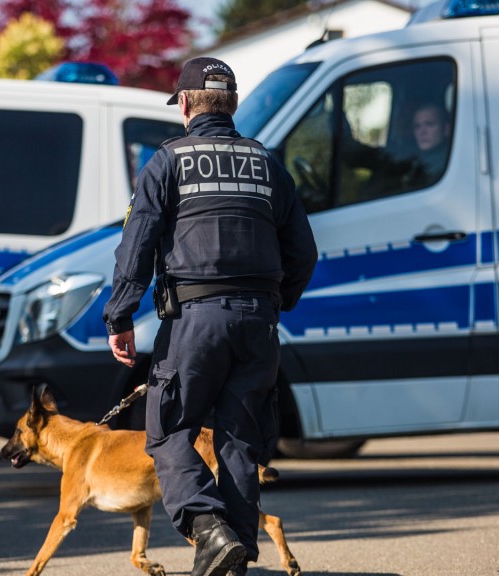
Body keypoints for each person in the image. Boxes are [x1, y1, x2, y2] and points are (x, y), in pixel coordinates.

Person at [102, 57, 317, 576]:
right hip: (258, 324)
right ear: (234, 104)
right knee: (241, 442)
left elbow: (137, 244)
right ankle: (230, 557)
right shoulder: (267, 163)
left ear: (184, 104)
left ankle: (208, 527)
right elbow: (304, 252)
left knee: (168, 430)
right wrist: (276, 302)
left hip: (194, 322)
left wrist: (120, 315)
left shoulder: (168, 161)